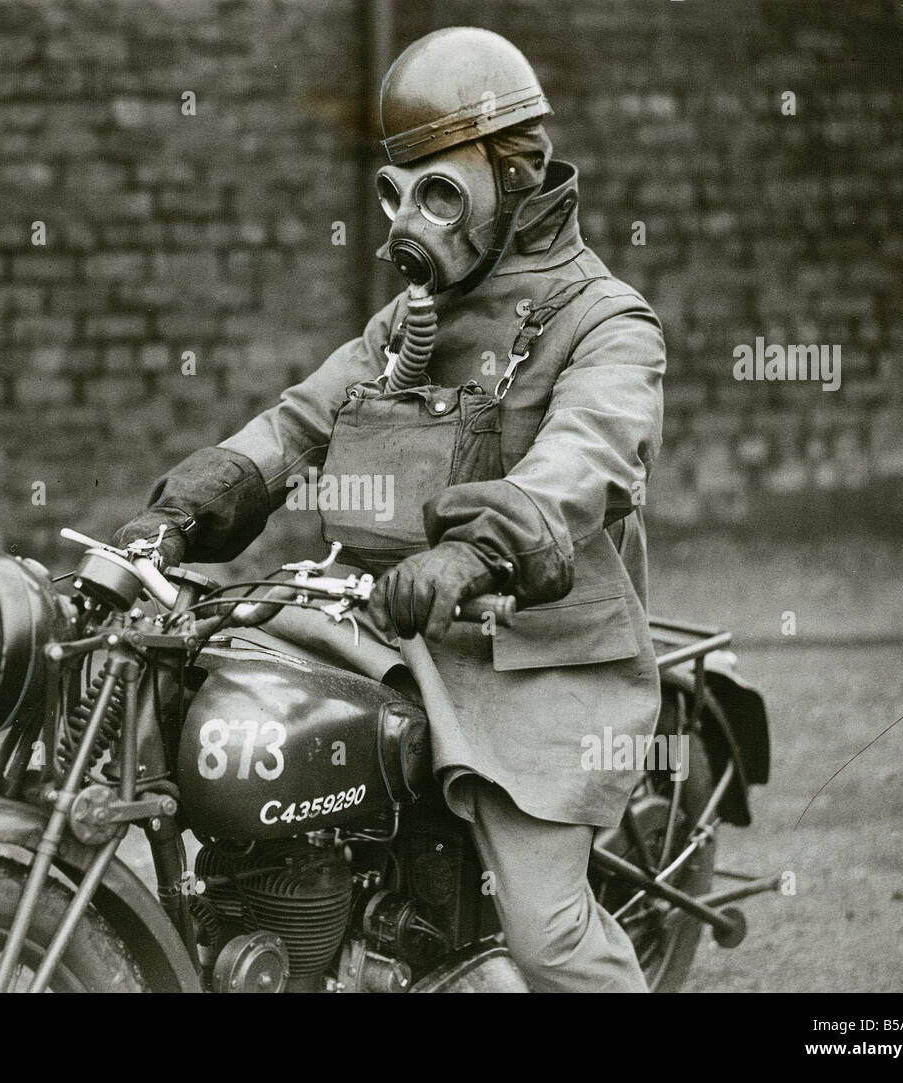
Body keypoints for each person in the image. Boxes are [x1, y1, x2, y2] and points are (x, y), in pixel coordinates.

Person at [115, 27, 665, 992]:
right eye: (397, 190)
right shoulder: (406, 319)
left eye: (440, 192)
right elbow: (297, 424)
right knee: (212, 694)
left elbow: (586, 460)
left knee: (551, 939)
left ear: (516, 175)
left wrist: (473, 553)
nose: (411, 219)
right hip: (385, 619)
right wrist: (189, 508)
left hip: (527, 652)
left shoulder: (604, 322)